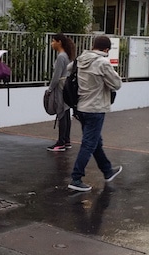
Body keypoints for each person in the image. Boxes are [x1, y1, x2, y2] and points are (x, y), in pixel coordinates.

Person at [67, 35, 123, 192]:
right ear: (106, 50)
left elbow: (68, 69)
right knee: (89, 143)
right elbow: (117, 84)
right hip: (96, 109)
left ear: (93, 46)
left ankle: (107, 170)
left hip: (81, 107)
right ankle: (76, 178)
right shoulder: (102, 63)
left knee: (94, 141)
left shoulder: (80, 60)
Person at [46, 33, 75, 152]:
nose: (52, 43)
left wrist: (50, 89)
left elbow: (56, 76)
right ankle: (66, 140)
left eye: (53, 41)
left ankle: (61, 142)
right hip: (67, 87)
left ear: (59, 42)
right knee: (66, 113)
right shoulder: (67, 56)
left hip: (60, 88)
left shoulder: (61, 57)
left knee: (61, 113)